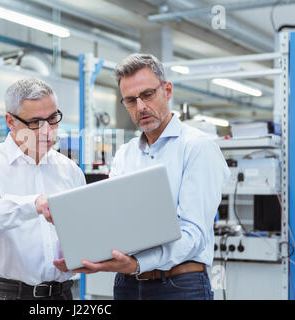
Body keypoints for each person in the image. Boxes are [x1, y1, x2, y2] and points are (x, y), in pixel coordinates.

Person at [54, 53, 230, 300]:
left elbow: (193, 234)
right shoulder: (125, 154)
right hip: (128, 286)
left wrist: (137, 262)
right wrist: (87, 251)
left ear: (167, 90)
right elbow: (114, 222)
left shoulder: (197, 147)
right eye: (130, 100)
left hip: (179, 285)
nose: (141, 107)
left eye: (148, 94)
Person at [0, 77, 86, 300]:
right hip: (5, 294)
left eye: (53, 119)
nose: (48, 131)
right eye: (36, 122)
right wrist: (34, 204)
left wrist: (79, 254)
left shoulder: (70, 170)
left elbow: (81, 231)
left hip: (61, 294)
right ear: (11, 121)